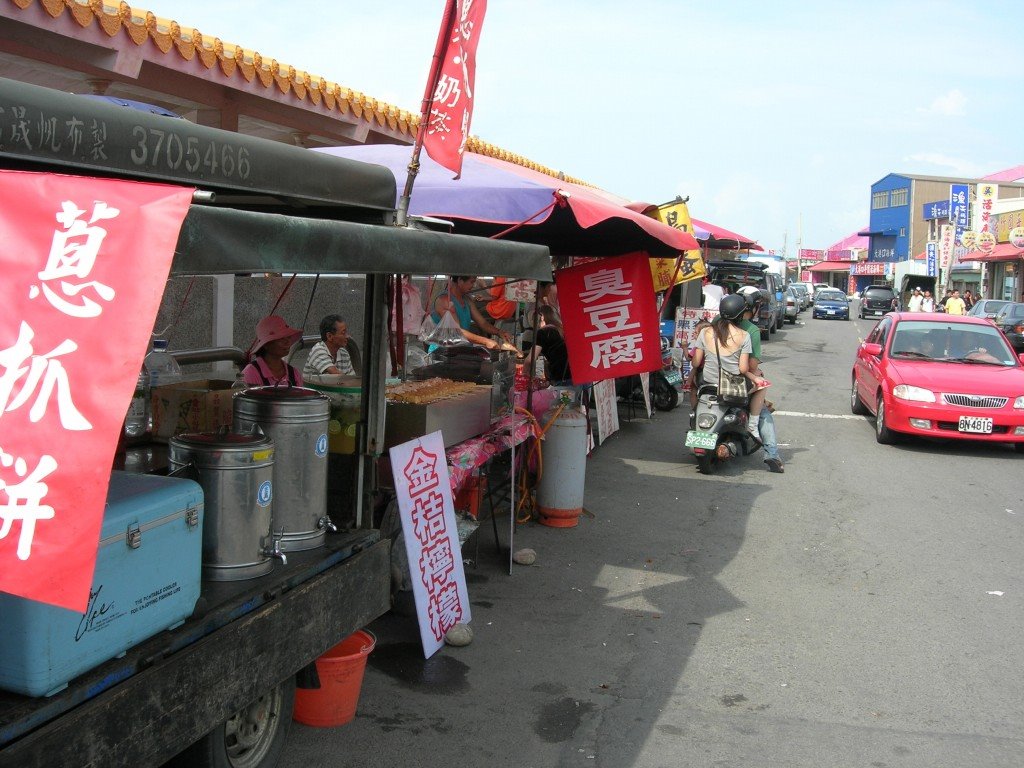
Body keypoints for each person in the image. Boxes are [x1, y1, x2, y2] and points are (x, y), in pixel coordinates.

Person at [690, 294, 768, 447]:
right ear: (740, 315)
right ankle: (752, 425)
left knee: (693, 388)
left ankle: (696, 415)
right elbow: (743, 368)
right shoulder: (744, 335)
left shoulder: (706, 332)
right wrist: (755, 377)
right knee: (762, 386)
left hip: (707, 384)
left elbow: (696, 362)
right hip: (731, 386)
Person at [736, 288, 784, 473]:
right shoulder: (750, 331)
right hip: (737, 381)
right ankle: (771, 453)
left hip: (710, 379)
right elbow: (751, 366)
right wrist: (755, 374)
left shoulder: (716, 324)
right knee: (763, 410)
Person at [432, 275, 516, 351]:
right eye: (472, 282)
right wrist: (486, 341)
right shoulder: (444, 301)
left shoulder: (466, 300)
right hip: (441, 350)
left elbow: (483, 323)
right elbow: (457, 331)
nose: (474, 285)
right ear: (460, 280)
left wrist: (499, 332)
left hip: (459, 348)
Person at [243, 315, 304, 387]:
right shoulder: (251, 373)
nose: (287, 342)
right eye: (281, 338)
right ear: (266, 345)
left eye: (288, 337)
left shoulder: (294, 374)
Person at [526, 305, 571, 383]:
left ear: (542, 317)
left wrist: (523, 376)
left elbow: (530, 360)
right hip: (576, 374)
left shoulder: (543, 332)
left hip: (562, 377)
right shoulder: (562, 329)